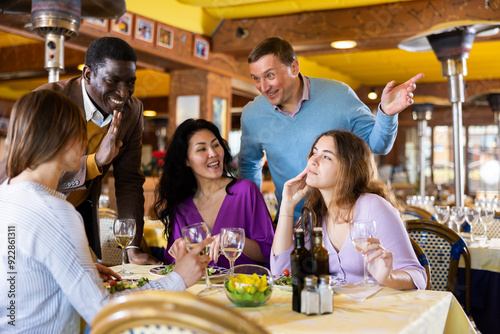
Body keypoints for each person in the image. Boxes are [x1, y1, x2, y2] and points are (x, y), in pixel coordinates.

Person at [0, 90, 211, 333]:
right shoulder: (57, 214)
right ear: (58, 137)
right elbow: (104, 312)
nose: (85, 142)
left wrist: (80, 271)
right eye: (81, 132)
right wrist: (178, 279)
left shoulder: (6, 195)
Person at [0, 37, 158, 264]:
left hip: (80, 212)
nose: (123, 93)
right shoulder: (48, 100)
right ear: (88, 75)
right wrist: (95, 162)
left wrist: (132, 247)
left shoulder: (132, 112)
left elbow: (129, 181)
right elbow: (24, 174)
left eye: (130, 83)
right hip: (27, 214)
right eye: (113, 81)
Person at [238, 37, 425, 222]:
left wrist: (386, 113)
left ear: (294, 67)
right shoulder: (252, 114)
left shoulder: (339, 95)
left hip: (345, 221)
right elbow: (248, 165)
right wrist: (254, 216)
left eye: (270, 75)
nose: (263, 87)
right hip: (290, 224)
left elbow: (378, 145)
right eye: (256, 78)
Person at [271, 130, 427, 290]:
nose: (313, 161)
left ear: (348, 169)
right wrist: (287, 205)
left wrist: (388, 277)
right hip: (333, 311)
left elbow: (418, 277)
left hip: (377, 310)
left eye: (326, 157)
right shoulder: (314, 214)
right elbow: (282, 273)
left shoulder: (372, 207)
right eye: (314, 153)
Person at [154, 118, 275, 269]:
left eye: (216, 145)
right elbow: (173, 266)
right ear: (186, 160)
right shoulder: (182, 208)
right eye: (202, 149)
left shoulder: (246, 191)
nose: (213, 153)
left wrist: (236, 240)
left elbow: (271, 253)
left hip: (245, 288)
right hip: (199, 290)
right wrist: (179, 254)